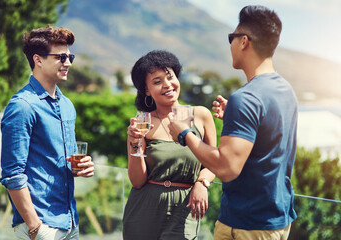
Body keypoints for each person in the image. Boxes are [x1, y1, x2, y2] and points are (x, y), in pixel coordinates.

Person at [169, 5, 298, 240]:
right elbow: (268, 136)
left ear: (244, 41)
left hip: (246, 224)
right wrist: (235, 115)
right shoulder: (285, 90)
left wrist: (185, 133)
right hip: (277, 219)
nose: (230, 44)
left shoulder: (246, 98)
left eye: (232, 37)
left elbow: (227, 168)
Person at [0, 25, 94, 240]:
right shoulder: (22, 106)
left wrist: (80, 167)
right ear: (38, 60)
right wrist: (35, 227)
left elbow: (62, 160)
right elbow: (12, 175)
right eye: (61, 57)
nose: (68, 63)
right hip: (41, 225)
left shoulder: (68, 105)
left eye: (70, 56)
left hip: (69, 221)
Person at [122, 50, 216, 239]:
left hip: (184, 207)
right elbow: (137, 181)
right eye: (157, 81)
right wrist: (134, 143)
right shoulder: (141, 123)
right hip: (143, 210)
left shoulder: (201, 115)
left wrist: (202, 183)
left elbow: (214, 162)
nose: (167, 85)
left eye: (170, 77)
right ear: (147, 90)